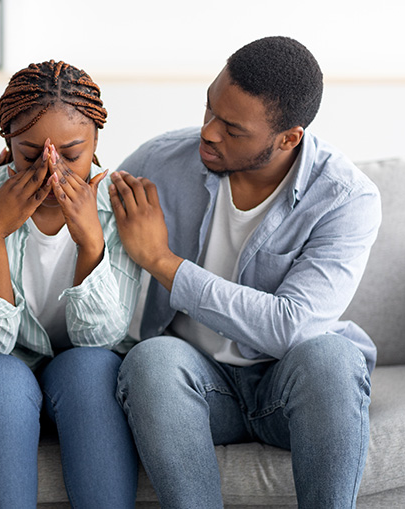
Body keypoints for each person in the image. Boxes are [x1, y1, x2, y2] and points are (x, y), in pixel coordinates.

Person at [108, 36, 381, 508]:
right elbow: (78, 223)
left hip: (292, 391)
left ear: (288, 139)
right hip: (197, 385)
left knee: (333, 358)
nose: (208, 132)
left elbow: (290, 327)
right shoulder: (160, 163)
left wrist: (163, 262)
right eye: (209, 109)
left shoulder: (345, 198)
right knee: (151, 359)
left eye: (232, 129)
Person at [0, 60, 142, 508]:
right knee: (0, 378)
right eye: (31, 154)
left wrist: (90, 241)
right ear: (8, 141)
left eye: (71, 153)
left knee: (92, 369)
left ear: (97, 141)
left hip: (79, 367)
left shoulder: (121, 206)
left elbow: (101, 338)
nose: (52, 170)